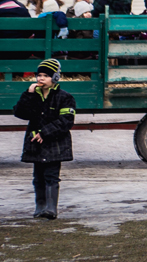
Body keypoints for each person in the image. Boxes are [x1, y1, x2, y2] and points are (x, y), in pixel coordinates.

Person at [13, 59, 76, 219]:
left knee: (51, 175)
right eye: (39, 75)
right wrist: (28, 94)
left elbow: (66, 121)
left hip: (54, 143)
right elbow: (20, 113)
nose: (40, 78)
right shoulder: (33, 95)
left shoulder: (65, 98)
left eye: (45, 76)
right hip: (36, 144)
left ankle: (51, 208)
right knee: (38, 176)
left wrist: (44, 132)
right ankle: (39, 206)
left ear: (55, 78)